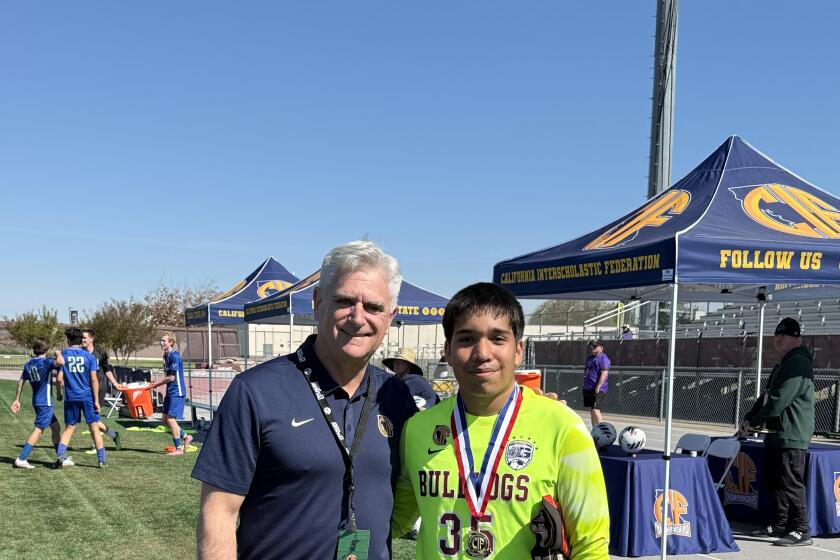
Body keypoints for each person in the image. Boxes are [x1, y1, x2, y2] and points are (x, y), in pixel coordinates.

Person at [192, 240, 417, 560]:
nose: (357, 317)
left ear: (390, 317)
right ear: (317, 302)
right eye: (344, 301)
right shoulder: (256, 392)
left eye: (373, 307)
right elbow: (219, 512)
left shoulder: (396, 397)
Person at [392, 282, 610, 559]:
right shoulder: (418, 430)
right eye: (467, 339)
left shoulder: (563, 426)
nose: (482, 353)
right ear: (447, 350)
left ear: (518, 350)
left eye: (497, 339)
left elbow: (591, 546)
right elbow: (395, 522)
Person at [740, 317, 814, 547]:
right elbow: (767, 395)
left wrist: (756, 421)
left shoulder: (798, 361)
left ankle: (800, 529)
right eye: (776, 335)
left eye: (785, 335)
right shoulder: (785, 361)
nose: (778, 339)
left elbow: (781, 399)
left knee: (790, 482)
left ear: (797, 338)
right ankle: (781, 524)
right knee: (774, 480)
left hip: (791, 432)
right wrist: (749, 417)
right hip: (776, 432)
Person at [54, 327, 107, 468]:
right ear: (80, 340)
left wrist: (59, 393)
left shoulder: (63, 356)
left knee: (69, 428)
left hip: (70, 397)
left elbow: (59, 379)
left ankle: (60, 456)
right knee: (94, 428)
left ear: (68, 340)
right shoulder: (89, 357)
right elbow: (94, 380)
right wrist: (96, 400)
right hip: (87, 397)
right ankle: (101, 460)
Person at [11, 338, 65, 469]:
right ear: (46, 349)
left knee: (56, 427)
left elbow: (21, 381)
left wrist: (17, 399)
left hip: (37, 401)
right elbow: (61, 362)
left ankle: (61, 457)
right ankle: (22, 458)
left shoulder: (29, 363)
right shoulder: (46, 362)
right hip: (45, 402)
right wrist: (58, 352)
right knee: (39, 430)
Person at [148, 331, 193, 456]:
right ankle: (185, 437)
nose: (161, 343)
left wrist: (156, 385)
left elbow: (172, 378)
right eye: (161, 340)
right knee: (164, 419)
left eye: (164, 341)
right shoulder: (165, 356)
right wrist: (155, 382)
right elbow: (167, 375)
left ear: (171, 342)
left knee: (171, 419)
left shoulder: (175, 356)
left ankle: (178, 449)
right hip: (170, 391)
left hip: (177, 392)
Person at [82, 328, 123, 450]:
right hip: (85, 388)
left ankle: (97, 445)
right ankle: (113, 434)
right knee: (90, 418)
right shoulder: (80, 352)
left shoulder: (100, 352)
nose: (82, 340)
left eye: (85, 337)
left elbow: (107, 369)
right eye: (82, 337)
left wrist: (115, 383)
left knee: (93, 418)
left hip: (99, 388)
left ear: (91, 339)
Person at [582, 339, 610, 427]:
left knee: (596, 410)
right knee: (591, 410)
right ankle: (595, 430)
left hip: (597, 389)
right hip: (588, 388)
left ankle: (601, 431)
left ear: (601, 348)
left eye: (594, 346)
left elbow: (604, 373)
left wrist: (598, 386)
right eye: (592, 346)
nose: (592, 348)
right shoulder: (590, 358)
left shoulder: (603, 358)